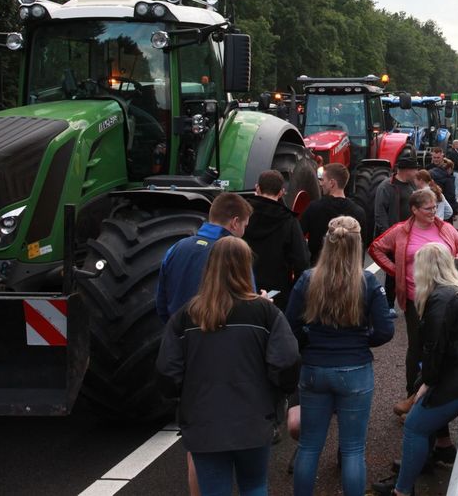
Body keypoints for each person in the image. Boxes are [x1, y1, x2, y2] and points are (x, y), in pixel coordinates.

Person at [156, 237, 300, 496]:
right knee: (255, 485)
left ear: (209, 268)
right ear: (247, 268)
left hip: (203, 421)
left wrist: (184, 399)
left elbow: (167, 371)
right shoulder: (266, 314)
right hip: (254, 419)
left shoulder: (186, 316)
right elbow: (287, 361)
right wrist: (277, 395)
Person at [371, 243, 458, 496]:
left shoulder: (440, 299)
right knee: (422, 414)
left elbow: (434, 350)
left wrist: (427, 382)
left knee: (415, 425)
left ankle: (402, 491)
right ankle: (416, 471)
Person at [286, 216, 394, 495]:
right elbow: (385, 330)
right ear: (357, 244)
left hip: (314, 368)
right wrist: (361, 340)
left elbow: (291, 326)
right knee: (353, 449)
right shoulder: (367, 282)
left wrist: (311, 342)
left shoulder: (309, 279)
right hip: (355, 369)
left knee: (309, 445)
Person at [369, 190, 458, 428]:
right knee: (416, 347)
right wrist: (397, 271)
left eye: (435, 208)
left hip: (445, 298)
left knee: (440, 348)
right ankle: (411, 395)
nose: (433, 213)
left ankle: (430, 396)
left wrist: (454, 266)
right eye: (428, 209)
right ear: (414, 210)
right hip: (417, 299)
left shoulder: (445, 228)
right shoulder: (402, 231)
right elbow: (376, 248)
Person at [155, 193, 253, 323]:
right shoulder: (235, 254)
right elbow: (247, 308)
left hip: (178, 335)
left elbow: (161, 303)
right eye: (244, 226)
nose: (243, 232)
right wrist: (260, 302)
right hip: (217, 337)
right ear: (235, 223)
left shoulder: (175, 249)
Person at [243, 170, 311, 311]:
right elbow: (302, 261)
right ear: (281, 193)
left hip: (243, 289)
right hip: (276, 294)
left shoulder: (242, 216)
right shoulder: (289, 221)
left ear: (257, 188)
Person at [300, 163, 369, 264]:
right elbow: (360, 249)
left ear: (332, 183)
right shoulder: (359, 213)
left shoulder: (314, 208)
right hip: (347, 273)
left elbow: (298, 238)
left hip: (318, 271)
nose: (320, 184)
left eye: (322, 180)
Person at [375, 157, 418, 306]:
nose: (417, 172)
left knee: (412, 268)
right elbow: (380, 214)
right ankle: (389, 304)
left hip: (412, 235)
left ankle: (410, 299)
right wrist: (389, 237)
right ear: (407, 170)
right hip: (396, 237)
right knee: (394, 272)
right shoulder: (386, 187)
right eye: (415, 169)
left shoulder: (413, 185)